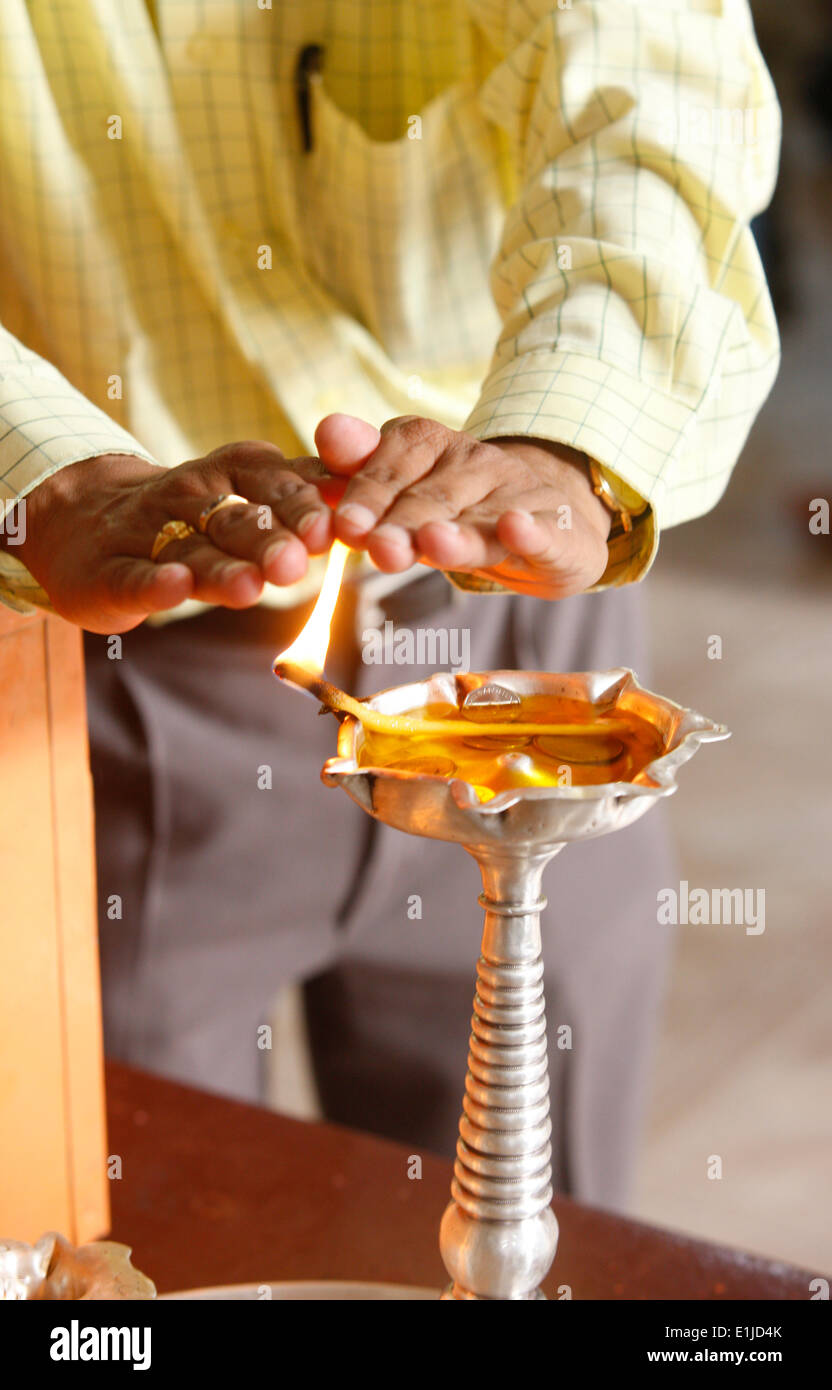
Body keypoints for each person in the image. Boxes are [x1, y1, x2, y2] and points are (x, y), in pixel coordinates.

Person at [0, 2, 779, 1208]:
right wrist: (38, 471)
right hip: (108, 677)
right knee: (145, 1221)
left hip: (520, 632)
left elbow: (648, 81)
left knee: (540, 1199)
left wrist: (570, 432)